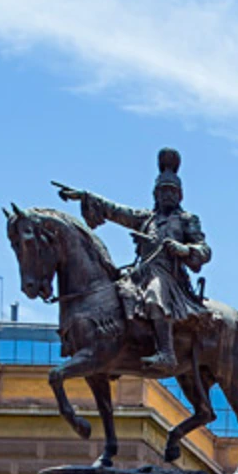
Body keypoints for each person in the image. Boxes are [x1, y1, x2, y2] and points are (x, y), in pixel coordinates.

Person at [56, 148, 211, 375]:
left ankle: (167, 353)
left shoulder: (187, 219)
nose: (167, 195)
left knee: (154, 296)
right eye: (163, 191)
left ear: (180, 195)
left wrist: (184, 249)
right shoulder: (146, 218)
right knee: (112, 293)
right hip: (141, 272)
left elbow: (204, 250)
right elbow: (114, 210)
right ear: (155, 194)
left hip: (168, 275)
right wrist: (84, 196)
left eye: (172, 191)